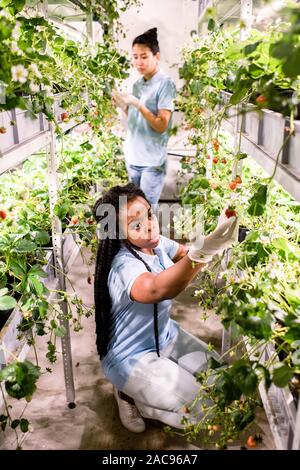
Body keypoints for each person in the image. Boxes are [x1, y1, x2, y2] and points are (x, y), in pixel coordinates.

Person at [93, 183, 238, 433]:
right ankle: (132, 396)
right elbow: (157, 289)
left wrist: (211, 238)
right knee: (206, 410)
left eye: (149, 215)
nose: (149, 225)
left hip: (165, 336)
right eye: (135, 225)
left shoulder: (155, 243)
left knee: (224, 381)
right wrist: (204, 253)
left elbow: (184, 254)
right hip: (132, 357)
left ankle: (147, 393)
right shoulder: (122, 265)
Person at [112, 28, 176, 207]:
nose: (138, 62)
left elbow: (161, 125)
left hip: (151, 162)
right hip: (133, 157)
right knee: (134, 211)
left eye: (144, 56)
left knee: (146, 212)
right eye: (135, 56)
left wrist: (138, 104)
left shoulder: (166, 84)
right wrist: (123, 105)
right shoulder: (138, 84)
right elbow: (137, 119)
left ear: (157, 56)